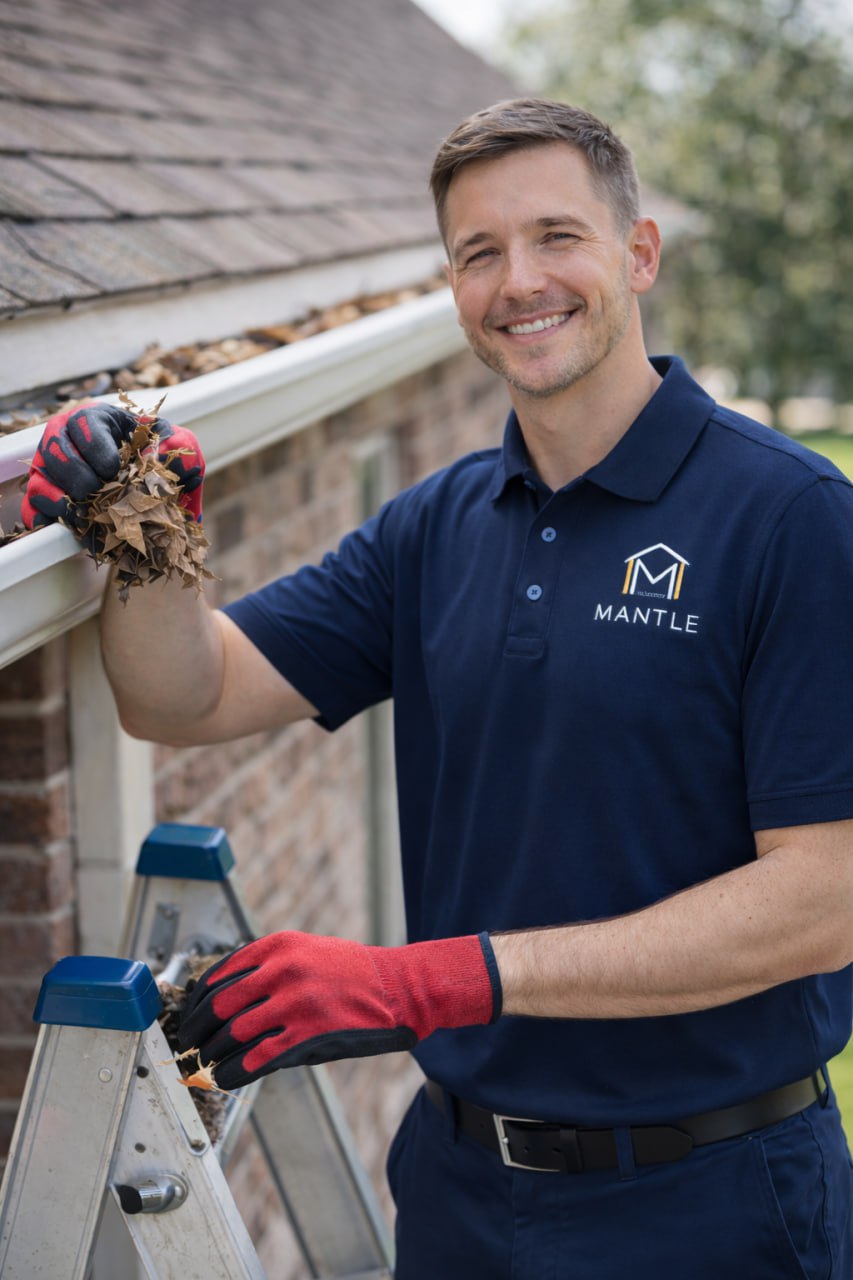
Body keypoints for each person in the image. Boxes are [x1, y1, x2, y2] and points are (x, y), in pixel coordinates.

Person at [23, 99, 853, 1278]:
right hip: (461, 1195)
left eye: (556, 236)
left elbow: (825, 897)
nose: (520, 281)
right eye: (478, 253)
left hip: (708, 1200)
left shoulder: (791, 517)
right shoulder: (434, 527)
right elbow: (183, 697)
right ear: (454, 288)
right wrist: (143, 524)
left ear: (638, 253)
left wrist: (424, 980)